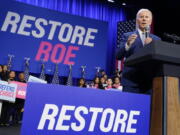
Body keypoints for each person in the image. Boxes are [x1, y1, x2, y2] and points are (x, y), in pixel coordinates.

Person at [116, 9, 161, 93]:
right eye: (141, 17)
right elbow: (118, 56)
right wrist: (128, 44)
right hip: (131, 81)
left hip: (150, 83)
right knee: (129, 106)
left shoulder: (156, 39)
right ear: (137, 20)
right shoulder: (127, 36)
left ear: (150, 21)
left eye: (147, 17)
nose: (144, 19)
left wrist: (152, 46)